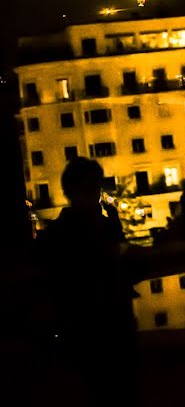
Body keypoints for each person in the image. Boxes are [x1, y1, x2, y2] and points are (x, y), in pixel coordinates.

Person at [38, 157, 140, 405]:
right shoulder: (73, 232)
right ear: (72, 191)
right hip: (95, 328)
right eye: (90, 188)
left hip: (98, 328)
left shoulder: (60, 232)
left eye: (96, 188)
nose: (95, 195)